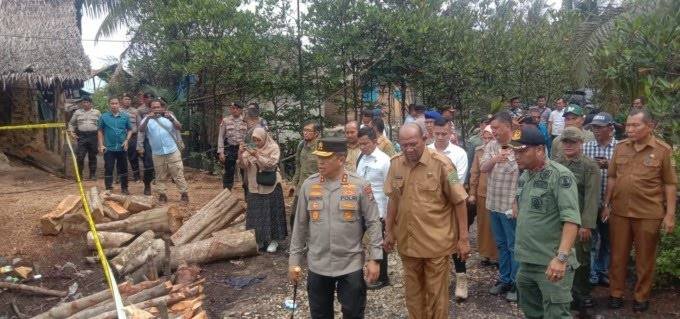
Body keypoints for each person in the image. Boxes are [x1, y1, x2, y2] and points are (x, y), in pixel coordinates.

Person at [288, 137, 382, 319]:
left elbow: (373, 222)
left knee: (353, 313)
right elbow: (299, 226)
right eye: (318, 158)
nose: (319, 162)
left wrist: (375, 259)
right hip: (318, 265)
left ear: (341, 159)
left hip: (350, 264)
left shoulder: (360, 186)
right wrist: (294, 261)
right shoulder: (309, 185)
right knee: (320, 314)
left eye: (325, 158)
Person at [383, 123, 470, 319]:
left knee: (436, 294)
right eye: (404, 145)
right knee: (413, 294)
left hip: (436, 243)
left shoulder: (444, 164)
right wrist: (389, 231)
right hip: (408, 242)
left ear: (425, 138)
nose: (409, 149)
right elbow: (393, 200)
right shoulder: (395, 163)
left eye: (413, 144)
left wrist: (463, 239)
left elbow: (460, 201)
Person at [602, 109, 677, 312]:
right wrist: (606, 204)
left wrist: (669, 215)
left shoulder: (662, 150)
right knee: (617, 256)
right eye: (628, 125)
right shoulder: (621, 147)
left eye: (635, 125)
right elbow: (612, 177)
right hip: (620, 212)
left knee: (645, 258)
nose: (630, 129)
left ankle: (641, 297)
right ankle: (616, 293)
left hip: (648, 213)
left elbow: (670, 184)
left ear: (650, 126)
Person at [512, 125, 582, 319]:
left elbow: (571, 220)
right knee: (532, 313)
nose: (516, 155)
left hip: (551, 263)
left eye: (522, 150)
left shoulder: (560, 176)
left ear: (540, 150)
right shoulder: (525, 176)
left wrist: (561, 258)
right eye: (514, 151)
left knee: (556, 314)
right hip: (527, 262)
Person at [555, 127, 601, 312]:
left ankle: (582, 293)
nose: (568, 145)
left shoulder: (589, 166)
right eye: (565, 142)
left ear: (581, 144)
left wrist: (587, 224)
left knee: (580, 258)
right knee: (559, 255)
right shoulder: (555, 164)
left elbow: (592, 197)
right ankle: (563, 293)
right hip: (558, 220)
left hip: (579, 221)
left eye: (572, 142)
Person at [427, 118, 470, 300]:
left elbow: (457, 182)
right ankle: (436, 279)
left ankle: (461, 278)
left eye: (444, 133)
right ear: (432, 132)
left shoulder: (459, 153)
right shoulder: (427, 150)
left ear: (450, 132)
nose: (441, 137)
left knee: (456, 240)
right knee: (432, 241)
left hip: (452, 205)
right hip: (429, 206)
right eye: (437, 133)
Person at [480, 111, 520, 302]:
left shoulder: (520, 145)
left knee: (513, 245)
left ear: (507, 126)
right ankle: (504, 279)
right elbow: (483, 168)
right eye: (492, 129)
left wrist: (516, 203)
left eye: (496, 128)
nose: (493, 132)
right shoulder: (491, 146)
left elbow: (524, 176)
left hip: (510, 206)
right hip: (493, 203)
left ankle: (516, 283)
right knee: (502, 245)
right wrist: (495, 159)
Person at [582, 112, 618, 287]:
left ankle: (602, 270)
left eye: (599, 127)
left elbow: (627, 174)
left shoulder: (620, 148)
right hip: (590, 203)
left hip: (611, 204)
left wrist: (610, 165)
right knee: (591, 239)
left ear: (610, 128)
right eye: (593, 127)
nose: (595, 130)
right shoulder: (586, 147)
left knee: (608, 239)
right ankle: (591, 273)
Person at [239, 127, 287, 252]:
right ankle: (260, 240)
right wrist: (240, 153)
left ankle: (274, 241)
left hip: (270, 186)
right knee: (256, 215)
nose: (256, 142)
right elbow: (243, 165)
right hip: (254, 186)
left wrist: (257, 155)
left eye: (258, 140)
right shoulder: (250, 149)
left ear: (264, 138)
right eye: (254, 139)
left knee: (272, 214)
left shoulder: (273, 148)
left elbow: (270, 164)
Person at [356, 127, 391, 289]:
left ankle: (382, 278)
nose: (363, 147)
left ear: (375, 142)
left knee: (378, 244)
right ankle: (356, 273)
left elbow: (389, 191)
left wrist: (386, 214)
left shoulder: (384, 161)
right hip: (360, 208)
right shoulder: (360, 157)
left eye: (366, 143)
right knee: (355, 240)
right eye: (360, 144)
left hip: (378, 209)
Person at [138, 99, 189, 203]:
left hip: (172, 151)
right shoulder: (146, 119)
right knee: (159, 176)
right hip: (157, 153)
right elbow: (141, 129)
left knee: (178, 174)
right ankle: (162, 195)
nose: (156, 109)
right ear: (150, 109)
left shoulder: (169, 116)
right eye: (154, 107)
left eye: (158, 107)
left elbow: (179, 127)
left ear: (162, 108)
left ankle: (184, 194)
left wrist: (171, 119)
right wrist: (148, 118)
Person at [468, 125, 498, 266]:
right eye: (484, 138)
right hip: (483, 193)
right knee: (484, 225)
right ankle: (485, 254)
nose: (486, 141)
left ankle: (498, 255)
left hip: (499, 194)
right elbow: (474, 173)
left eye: (489, 137)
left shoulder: (502, 151)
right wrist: (472, 193)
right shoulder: (479, 151)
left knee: (497, 226)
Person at [98, 97, 133, 194]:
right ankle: (108, 188)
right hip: (109, 147)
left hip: (122, 147)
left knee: (123, 168)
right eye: (112, 103)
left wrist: (126, 140)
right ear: (109, 104)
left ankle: (124, 188)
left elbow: (130, 130)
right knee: (108, 167)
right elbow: (100, 131)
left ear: (119, 104)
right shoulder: (104, 117)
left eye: (116, 103)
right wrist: (101, 145)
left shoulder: (125, 116)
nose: (114, 105)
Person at [290, 121, 321, 225]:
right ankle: (297, 241)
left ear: (316, 133)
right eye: (304, 130)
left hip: (315, 189)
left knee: (314, 219)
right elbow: (298, 166)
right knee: (294, 218)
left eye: (309, 131)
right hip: (301, 187)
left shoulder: (321, 147)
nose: (305, 133)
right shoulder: (301, 145)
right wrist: (294, 183)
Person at [68, 96, 100, 180]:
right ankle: (80, 175)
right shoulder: (77, 112)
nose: (85, 104)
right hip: (82, 136)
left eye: (87, 102)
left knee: (92, 156)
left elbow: (101, 124)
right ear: (82, 103)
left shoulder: (97, 112)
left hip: (93, 136)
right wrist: (71, 132)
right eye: (84, 102)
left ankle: (92, 175)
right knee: (80, 156)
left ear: (91, 103)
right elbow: (71, 123)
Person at [217, 102, 248, 190]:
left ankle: (247, 196)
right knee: (229, 171)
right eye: (232, 108)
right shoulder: (226, 121)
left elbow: (249, 137)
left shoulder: (245, 121)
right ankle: (227, 193)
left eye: (236, 108)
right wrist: (221, 152)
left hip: (243, 150)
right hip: (230, 148)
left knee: (245, 172)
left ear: (240, 110)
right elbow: (221, 137)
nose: (234, 110)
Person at [136, 92, 155, 195]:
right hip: (147, 139)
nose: (150, 99)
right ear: (144, 99)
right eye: (147, 97)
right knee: (148, 164)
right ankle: (147, 184)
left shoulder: (158, 108)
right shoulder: (140, 110)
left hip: (159, 140)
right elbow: (141, 129)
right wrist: (140, 145)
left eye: (152, 97)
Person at [119, 93, 141, 182]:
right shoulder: (118, 111)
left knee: (133, 157)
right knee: (121, 157)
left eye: (129, 99)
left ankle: (137, 177)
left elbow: (139, 125)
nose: (127, 101)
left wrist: (139, 139)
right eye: (126, 99)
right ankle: (121, 177)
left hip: (133, 138)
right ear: (122, 101)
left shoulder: (135, 111)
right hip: (121, 137)